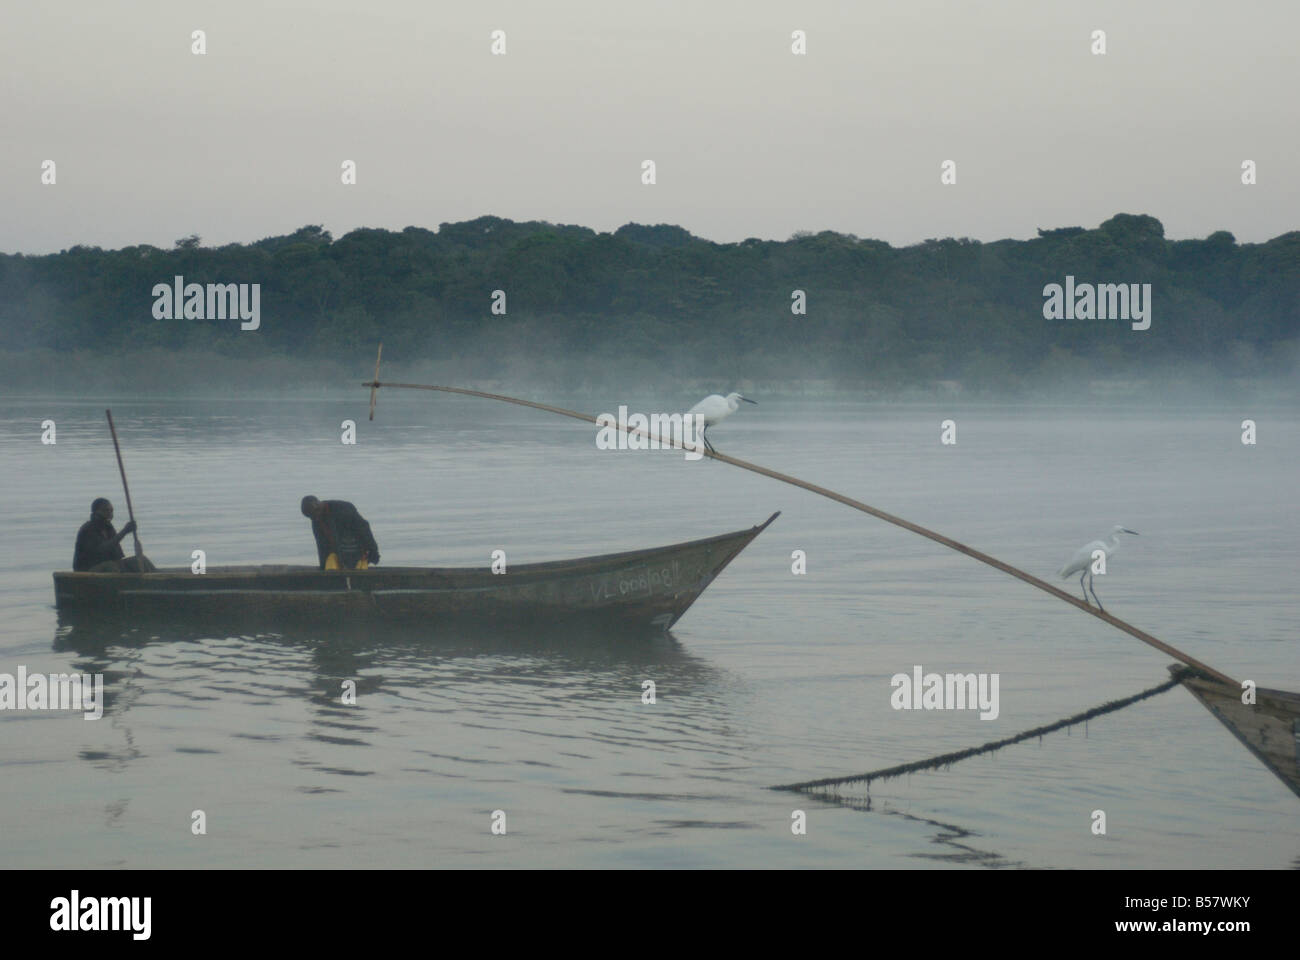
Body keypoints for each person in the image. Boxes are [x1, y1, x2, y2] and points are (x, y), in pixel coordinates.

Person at [73, 498, 156, 572]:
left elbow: (117, 555)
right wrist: (124, 531)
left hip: (109, 565)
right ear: (95, 512)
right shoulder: (88, 529)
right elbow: (102, 549)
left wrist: (131, 565)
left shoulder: (109, 528)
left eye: (111, 511)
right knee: (111, 566)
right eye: (105, 510)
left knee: (140, 560)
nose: (109, 514)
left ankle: (157, 579)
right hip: (87, 569)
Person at [301, 496, 380, 571]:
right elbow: (321, 544)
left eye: (315, 514)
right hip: (336, 555)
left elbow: (364, 528)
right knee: (330, 567)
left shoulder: (343, 509)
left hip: (356, 552)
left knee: (356, 568)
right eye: (311, 517)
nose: (315, 518)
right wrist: (323, 567)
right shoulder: (316, 519)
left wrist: (373, 551)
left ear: (319, 506)